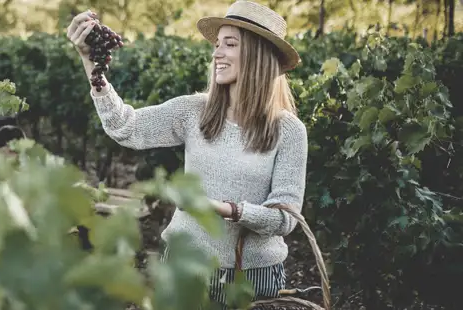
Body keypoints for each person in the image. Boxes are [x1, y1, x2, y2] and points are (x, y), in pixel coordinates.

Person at [66, 0, 308, 308]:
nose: (216, 53)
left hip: (252, 276)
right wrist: (91, 64)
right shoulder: (194, 111)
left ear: (258, 54)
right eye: (217, 44)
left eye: (229, 44)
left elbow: (286, 218)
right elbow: (125, 126)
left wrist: (225, 209)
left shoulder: (289, 130)